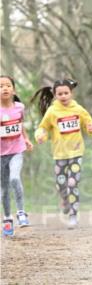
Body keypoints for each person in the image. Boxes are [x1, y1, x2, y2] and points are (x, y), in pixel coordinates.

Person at [32, 79, 92, 229]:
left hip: (76, 152)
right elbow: (43, 128)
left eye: (66, 93)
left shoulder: (79, 109)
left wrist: (91, 128)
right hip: (59, 153)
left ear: (71, 93)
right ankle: (65, 201)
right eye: (60, 93)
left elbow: (89, 125)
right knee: (61, 184)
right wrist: (40, 136)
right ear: (55, 95)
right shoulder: (52, 111)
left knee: (73, 184)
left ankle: (73, 215)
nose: (64, 96)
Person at [1, 75, 33, 236]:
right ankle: (7, 219)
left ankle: (21, 212)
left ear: (13, 89)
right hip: (1, 155)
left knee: (14, 178)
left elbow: (21, 126)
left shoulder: (19, 107)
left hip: (17, 150)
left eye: (7, 85)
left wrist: (26, 139)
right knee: (4, 189)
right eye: (1, 86)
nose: (4, 88)